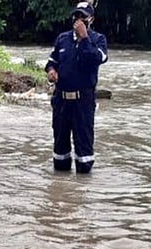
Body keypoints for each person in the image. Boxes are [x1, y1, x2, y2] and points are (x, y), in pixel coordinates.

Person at [45, 1, 108, 174]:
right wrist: (51, 72)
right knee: (60, 153)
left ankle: (82, 192)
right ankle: (60, 191)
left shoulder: (98, 40)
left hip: (83, 102)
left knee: (84, 156)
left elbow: (96, 59)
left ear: (91, 19)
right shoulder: (62, 39)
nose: (78, 20)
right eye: (76, 16)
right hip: (61, 101)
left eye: (83, 17)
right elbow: (51, 62)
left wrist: (84, 38)